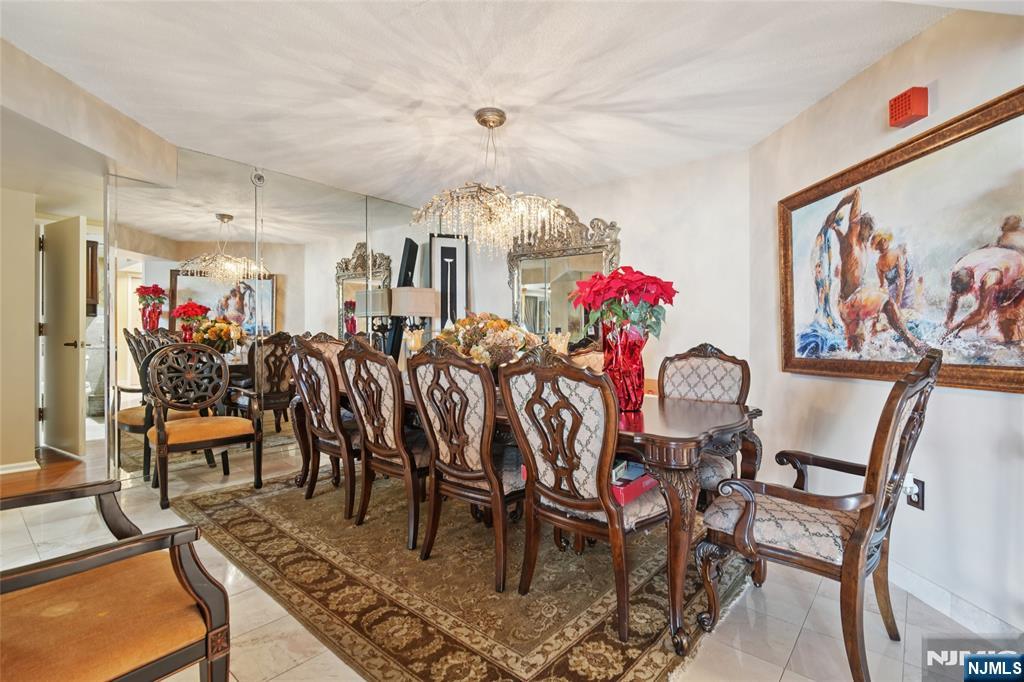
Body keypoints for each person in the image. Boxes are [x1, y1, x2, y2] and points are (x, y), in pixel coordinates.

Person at [824, 187, 925, 353]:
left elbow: (841, 240)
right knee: (888, 303)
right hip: (852, 301)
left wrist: (834, 227)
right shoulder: (853, 238)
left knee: (856, 350)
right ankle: (914, 343)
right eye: (869, 229)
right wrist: (836, 211)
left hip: (846, 307)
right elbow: (857, 191)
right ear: (861, 226)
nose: (870, 234)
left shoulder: (854, 245)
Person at [943, 245, 1024, 342]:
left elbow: (981, 314)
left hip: (1019, 275)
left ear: (972, 283)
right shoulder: (958, 270)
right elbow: (954, 295)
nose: (962, 296)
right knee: (984, 322)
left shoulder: (989, 278)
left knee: (1007, 322)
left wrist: (953, 331)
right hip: (1000, 263)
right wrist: (948, 321)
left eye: (965, 293)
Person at [871, 231, 915, 310]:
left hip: (907, 281)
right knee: (890, 306)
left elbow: (902, 279)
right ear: (877, 246)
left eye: (884, 240)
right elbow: (882, 285)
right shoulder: (879, 264)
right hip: (893, 286)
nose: (883, 243)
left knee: (906, 305)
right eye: (880, 242)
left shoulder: (897, 254)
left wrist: (898, 301)